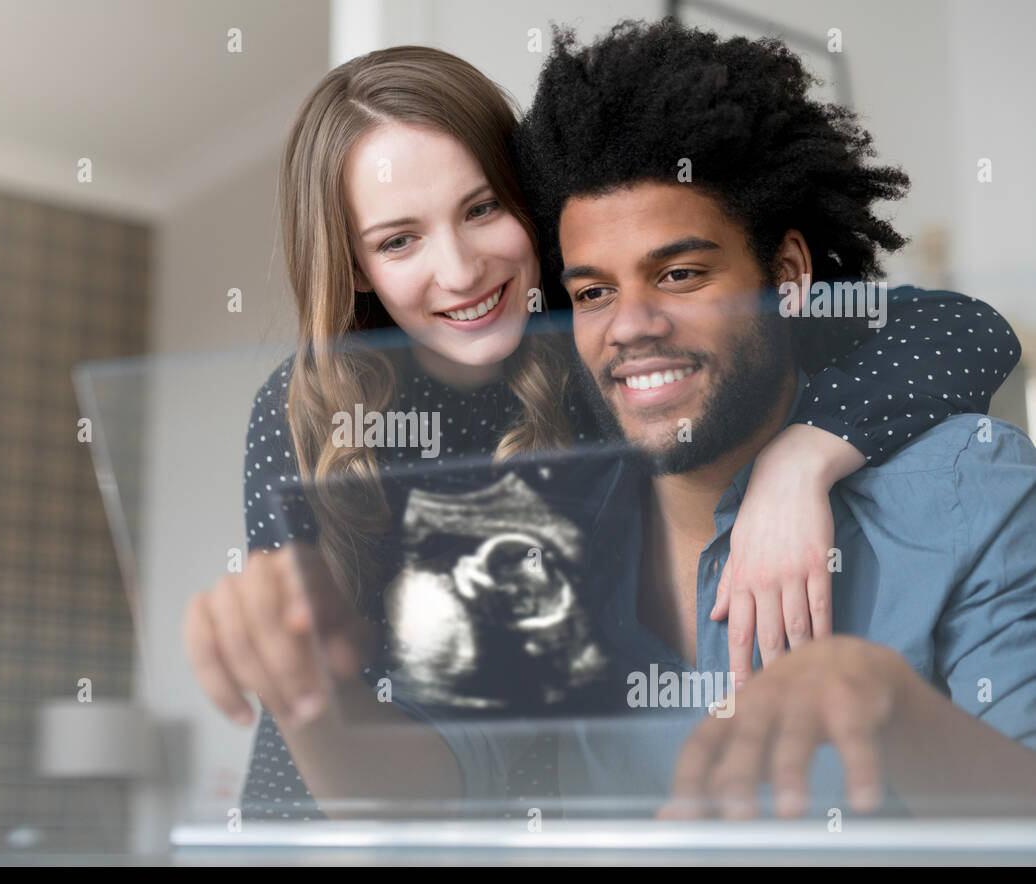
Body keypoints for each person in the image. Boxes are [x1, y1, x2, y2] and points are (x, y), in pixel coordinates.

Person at [181, 44, 1021, 821]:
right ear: (358, 265)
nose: (462, 269)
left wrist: (802, 454)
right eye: (399, 239)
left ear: (529, 211)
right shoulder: (314, 410)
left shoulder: (585, 374)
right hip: (341, 799)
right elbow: (403, 736)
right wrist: (302, 685)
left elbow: (961, 327)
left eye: (481, 210)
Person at [493, 17, 1036, 818]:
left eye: (678, 273)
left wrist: (893, 705)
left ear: (787, 276)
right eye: (594, 292)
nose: (630, 326)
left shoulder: (969, 490)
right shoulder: (543, 512)